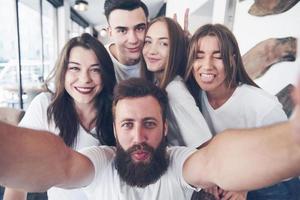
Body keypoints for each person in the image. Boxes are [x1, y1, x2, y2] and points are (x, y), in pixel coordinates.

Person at [1, 78, 300, 200]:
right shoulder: (100, 162)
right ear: (115, 129)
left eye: (149, 124)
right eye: (127, 124)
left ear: (165, 128)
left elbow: (215, 161)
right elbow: (61, 164)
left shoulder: (177, 161)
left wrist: (294, 141)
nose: (139, 136)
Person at [184, 23, 300, 200]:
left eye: (218, 57)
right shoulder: (191, 98)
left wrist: (246, 186)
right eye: (198, 57)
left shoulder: (263, 106)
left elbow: (288, 165)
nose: (206, 66)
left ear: (232, 59)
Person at [3, 33, 116, 200]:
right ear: (63, 72)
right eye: (75, 68)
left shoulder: (118, 111)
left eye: (95, 69)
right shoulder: (45, 106)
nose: (85, 79)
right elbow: (19, 174)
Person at [140, 16, 211, 147]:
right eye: (148, 42)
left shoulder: (174, 89)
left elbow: (204, 146)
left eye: (163, 43)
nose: (152, 51)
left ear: (175, 49)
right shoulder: (159, 83)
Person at [103, 0, 148, 82]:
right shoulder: (98, 60)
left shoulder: (156, 56)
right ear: (110, 33)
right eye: (122, 31)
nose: (133, 40)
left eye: (139, 28)